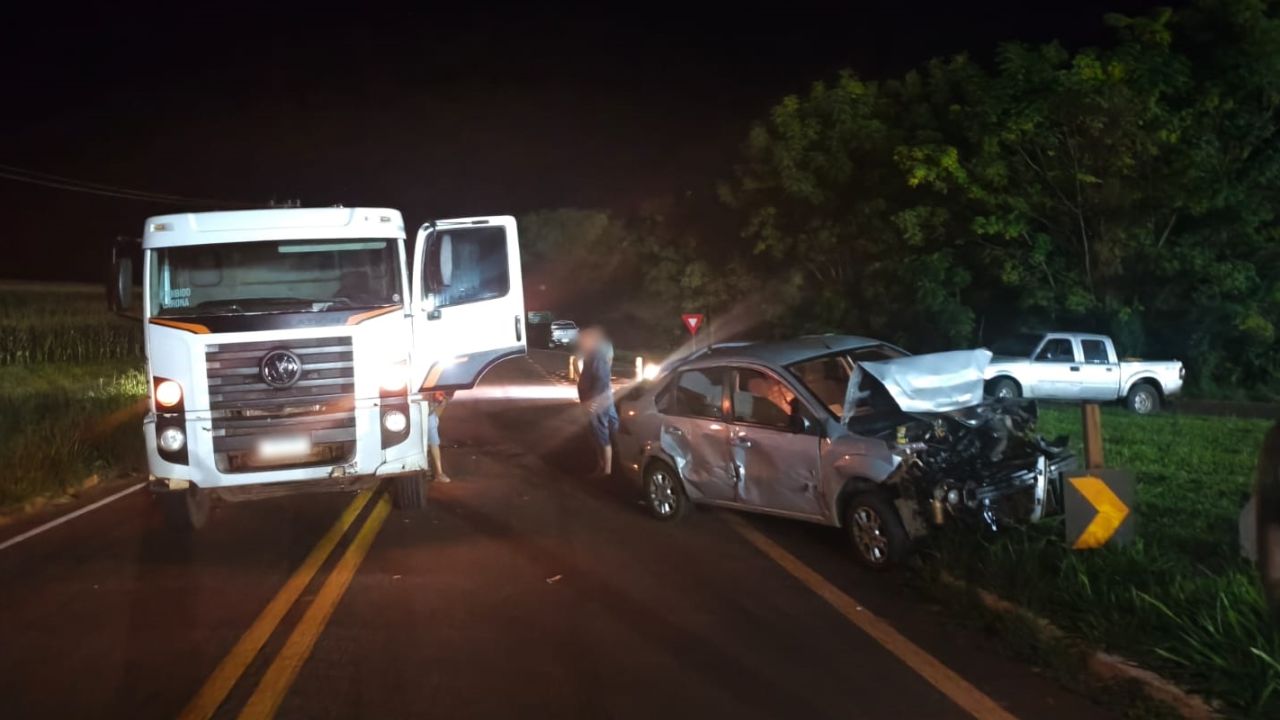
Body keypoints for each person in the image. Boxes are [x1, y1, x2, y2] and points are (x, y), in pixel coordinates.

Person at [576, 326, 619, 476]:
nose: (581, 341)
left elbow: (602, 378)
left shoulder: (597, 355)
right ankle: (606, 464)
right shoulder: (592, 354)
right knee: (608, 427)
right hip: (599, 398)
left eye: (583, 338)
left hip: (597, 401)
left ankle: (606, 470)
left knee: (600, 433)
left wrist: (593, 399)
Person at [426, 390, 452, 483]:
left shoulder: (442, 399)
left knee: (434, 443)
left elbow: (437, 412)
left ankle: (439, 473)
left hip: (429, 415)